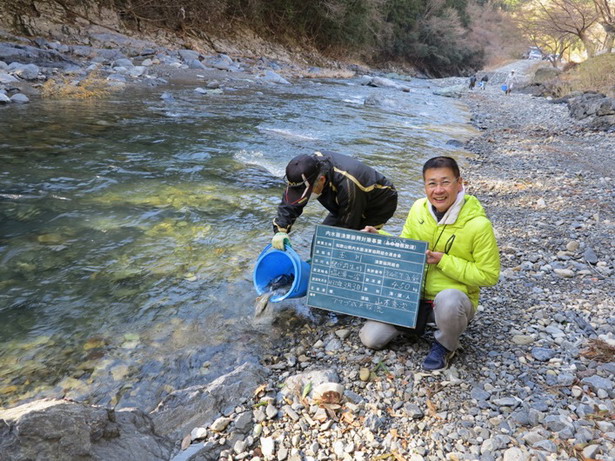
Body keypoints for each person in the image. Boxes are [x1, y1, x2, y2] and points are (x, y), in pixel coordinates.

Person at [359, 156, 500, 371]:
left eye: (445, 182)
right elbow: (407, 246)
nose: (438, 190)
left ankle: (446, 344)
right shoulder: (418, 208)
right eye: (432, 183)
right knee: (371, 338)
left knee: (449, 301)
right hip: (413, 296)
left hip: (451, 302)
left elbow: (489, 275)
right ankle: (413, 324)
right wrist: (380, 236)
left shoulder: (479, 226)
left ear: (459, 183)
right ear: (425, 186)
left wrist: (444, 261)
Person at [271, 151, 398, 250]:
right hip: (344, 199)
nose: (305, 197)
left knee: (355, 245)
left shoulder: (348, 185)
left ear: (322, 180)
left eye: (308, 193)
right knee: (321, 239)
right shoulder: (305, 168)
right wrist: (281, 230)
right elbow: (291, 201)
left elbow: (346, 227)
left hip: (378, 204)